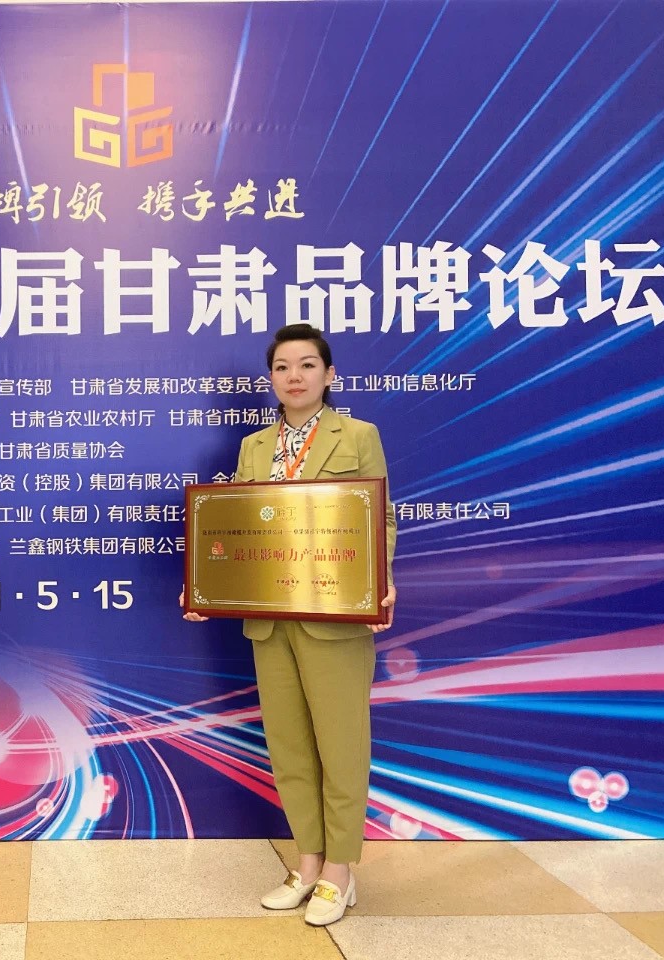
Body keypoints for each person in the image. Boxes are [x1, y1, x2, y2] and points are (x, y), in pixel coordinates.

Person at [181, 323, 396, 926]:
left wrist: (381, 577)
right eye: (282, 367)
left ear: (329, 375)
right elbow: (238, 524)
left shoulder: (358, 435)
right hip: (270, 617)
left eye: (306, 365)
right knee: (290, 744)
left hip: (335, 614)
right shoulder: (254, 446)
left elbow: (379, 518)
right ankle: (308, 862)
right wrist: (205, 581)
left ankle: (340, 871)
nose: (294, 376)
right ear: (271, 378)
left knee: (341, 743)